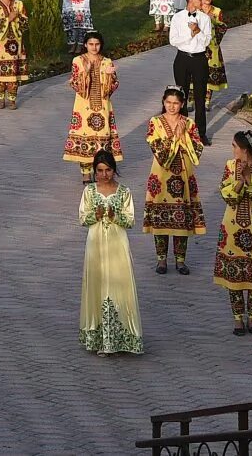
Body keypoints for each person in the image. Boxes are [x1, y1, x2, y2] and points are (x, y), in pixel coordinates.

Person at [78, 149, 143, 356]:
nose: (104, 175)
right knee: (98, 285)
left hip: (117, 246)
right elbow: (82, 219)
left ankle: (120, 337)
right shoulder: (89, 192)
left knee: (119, 286)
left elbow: (130, 221)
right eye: (100, 170)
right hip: (95, 245)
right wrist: (94, 215)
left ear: (114, 170)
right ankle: (99, 338)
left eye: (108, 170)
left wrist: (116, 217)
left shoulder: (124, 192)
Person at [213, 129, 252, 335]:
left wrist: (250, 180)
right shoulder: (229, 166)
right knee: (235, 273)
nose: (232, 150)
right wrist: (240, 181)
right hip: (232, 226)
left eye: (234, 146)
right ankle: (237, 319)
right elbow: (228, 196)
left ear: (244, 149)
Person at [142, 87, 206, 274]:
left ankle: (180, 260)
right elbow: (155, 145)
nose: (172, 106)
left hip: (183, 174)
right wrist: (174, 139)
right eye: (168, 102)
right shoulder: (155, 122)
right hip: (161, 174)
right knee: (161, 217)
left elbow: (197, 147)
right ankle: (161, 260)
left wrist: (183, 135)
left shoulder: (189, 123)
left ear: (182, 104)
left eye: (176, 103)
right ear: (163, 102)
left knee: (182, 217)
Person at [63, 32, 120, 177]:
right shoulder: (78, 61)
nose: (94, 47)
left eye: (97, 44)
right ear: (85, 45)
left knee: (103, 135)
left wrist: (109, 76)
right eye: (91, 44)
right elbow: (74, 83)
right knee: (84, 135)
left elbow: (113, 86)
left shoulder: (107, 61)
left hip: (103, 105)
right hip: (83, 106)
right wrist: (86, 73)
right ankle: (86, 173)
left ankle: (101, 171)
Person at [167, 0, 214, 144]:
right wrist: (189, 35)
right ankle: (184, 131)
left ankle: (201, 133)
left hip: (199, 59)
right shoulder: (177, 18)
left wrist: (197, 31)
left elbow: (206, 41)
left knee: (200, 97)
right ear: (191, 0)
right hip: (182, 59)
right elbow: (173, 40)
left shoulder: (205, 19)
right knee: (182, 96)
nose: (204, 1)